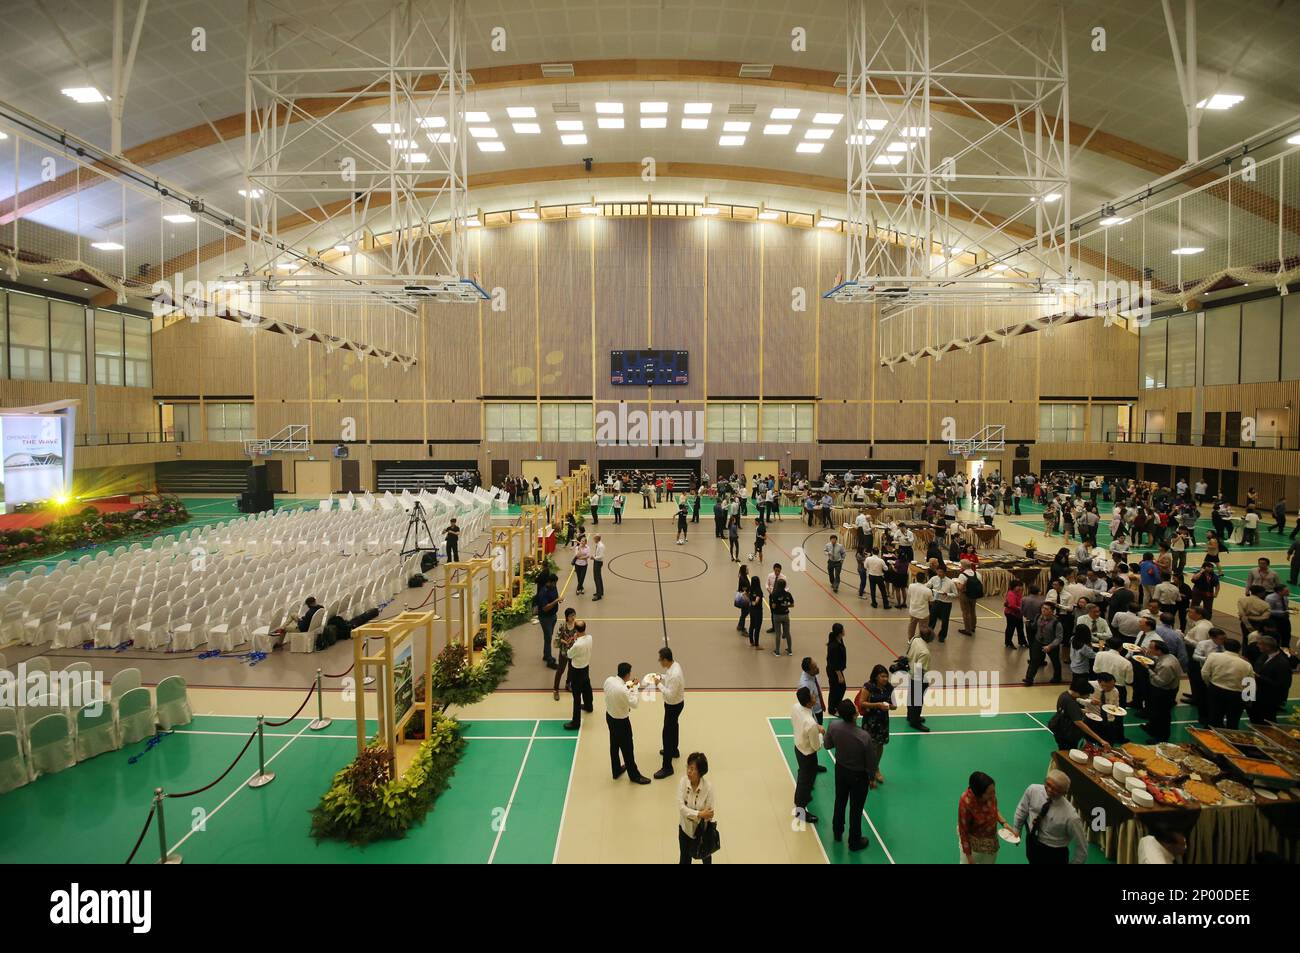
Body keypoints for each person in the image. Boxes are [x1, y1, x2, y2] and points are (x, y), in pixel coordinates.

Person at [825, 699, 878, 851]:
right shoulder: (864, 736)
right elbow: (871, 761)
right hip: (858, 777)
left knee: (840, 801)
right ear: (855, 715)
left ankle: (837, 832)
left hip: (840, 771)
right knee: (856, 809)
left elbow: (828, 745)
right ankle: (854, 841)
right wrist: (872, 778)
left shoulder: (833, 726)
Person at [1013, 770, 1089, 865]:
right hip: (1032, 840)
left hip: (1053, 853)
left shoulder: (1071, 816)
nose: (1049, 789)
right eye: (1048, 784)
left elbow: (1082, 847)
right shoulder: (1033, 790)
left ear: (1064, 792)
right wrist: (1017, 829)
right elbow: (1022, 809)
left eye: (1056, 789)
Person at [604, 662, 651, 784]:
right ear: (627, 674)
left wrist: (630, 685)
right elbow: (634, 703)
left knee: (614, 745)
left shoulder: (609, 680)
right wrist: (635, 688)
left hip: (610, 717)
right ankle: (634, 776)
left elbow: (619, 692)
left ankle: (616, 770)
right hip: (621, 723)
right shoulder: (623, 690)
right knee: (628, 749)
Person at [958, 771, 1016, 864]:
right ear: (979, 795)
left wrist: (1004, 823)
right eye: (989, 793)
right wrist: (969, 858)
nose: (993, 795)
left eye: (994, 791)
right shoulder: (966, 802)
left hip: (991, 845)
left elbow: (994, 810)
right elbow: (963, 831)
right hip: (973, 847)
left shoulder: (990, 795)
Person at [1049, 674, 1112, 751]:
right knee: (1067, 753)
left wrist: (1081, 711)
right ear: (1080, 692)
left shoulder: (1064, 695)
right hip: (1067, 733)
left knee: (1063, 751)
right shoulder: (1071, 703)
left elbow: (1066, 710)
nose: (1088, 696)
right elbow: (1079, 723)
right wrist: (1101, 740)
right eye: (1087, 694)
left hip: (1059, 728)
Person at [1201, 637, 1252, 729]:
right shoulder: (1246, 664)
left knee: (1214, 718)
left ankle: (1212, 740)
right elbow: (1250, 684)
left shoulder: (1213, 656)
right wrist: (1248, 700)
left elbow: (1204, 673)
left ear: (1224, 647)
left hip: (1216, 690)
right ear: (1239, 649)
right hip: (1236, 695)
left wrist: (1209, 684)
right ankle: (1231, 741)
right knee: (1233, 721)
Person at [791, 685, 824, 825]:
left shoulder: (796, 707)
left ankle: (801, 798)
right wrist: (820, 733)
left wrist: (816, 728)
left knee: (803, 776)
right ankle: (800, 810)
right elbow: (816, 746)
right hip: (808, 755)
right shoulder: (810, 723)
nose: (815, 695)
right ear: (809, 702)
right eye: (813, 695)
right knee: (806, 781)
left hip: (798, 747)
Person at [651, 646, 685, 779]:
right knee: (674, 726)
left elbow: (670, 695)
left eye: (660, 660)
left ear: (666, 660)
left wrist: (658, 684)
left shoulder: (675, 675)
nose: (660, 662)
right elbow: (669, 677)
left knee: (667, 733)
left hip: (673, 705)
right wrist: (661, 677)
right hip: (676, 703)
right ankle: (674, 750)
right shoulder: (674, 666)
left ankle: (667, 767)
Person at [677, 752, 716, 864]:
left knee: (706, 858)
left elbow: (709, 814)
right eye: (688, 767)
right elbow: (681, 808)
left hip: (702, 832)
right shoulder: (683, 782)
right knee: (684, 859)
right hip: (685, 830)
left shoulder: (708, 788)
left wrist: (692, 814)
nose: (689, 771)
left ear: (700, 772)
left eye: (692, 769)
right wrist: (699, 814)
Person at [1141, 637, 1180, 742]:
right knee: (1154, 711)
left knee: (1162, 715)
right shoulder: (1167, 656)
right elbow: (1156, 660)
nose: (1148, 649)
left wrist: (1147, 669)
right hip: (1160, 690)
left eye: (1151, 648)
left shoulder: (1166, 665)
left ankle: (1161, 737)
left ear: (1159, 650)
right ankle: (1152, 728)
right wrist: (1148, 655)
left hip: (1164, 692)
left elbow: (1160, 681)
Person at [1250, 635, 1293, 725]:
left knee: (1267, 721)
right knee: (1255, 719)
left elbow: (1283, 684)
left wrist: (1259, 678)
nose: (1257, 646)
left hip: (1270, 698)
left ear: (1267, 647)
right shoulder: (1264, 656)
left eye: (1260, 644)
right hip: (1258, 695)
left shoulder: (1282, 663)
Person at [561, 621, 594, 729]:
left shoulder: (578, 644)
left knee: (576, 696)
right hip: (586, 667)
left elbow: (569, 654)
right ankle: (589, 706)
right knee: (587, 687)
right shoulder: (589, 637)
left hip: (577, 671)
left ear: (575, 630)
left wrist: (571, 642)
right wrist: (576, 638)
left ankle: (576, 722)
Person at [1024, 601, 1063, 686]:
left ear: (1052, 611)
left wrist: (1050, 646)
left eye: (1046, 609)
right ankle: (1029, 679)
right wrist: (1028, 624)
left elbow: (1059, 638)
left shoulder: (1057, 623)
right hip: (1038, 642)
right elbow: (1035, 626)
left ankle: (1057, 678)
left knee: (1055, 662)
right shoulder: (1039, 617)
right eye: (1042, 608)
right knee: (1034, 661)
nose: (1043, 610)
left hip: (1051, 645)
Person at [905, 625, 934, 732]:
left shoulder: (915, 638)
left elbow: (908, 650)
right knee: (917, 701)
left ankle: (910, 716)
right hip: (918, 676)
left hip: (911, 672)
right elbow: (920, 669)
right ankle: (915, 721)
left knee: (911, 697)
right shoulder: (925, 653)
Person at [534, 571, 561, 668]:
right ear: (550, 582)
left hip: (553, 616)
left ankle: (546, 655)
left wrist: (558, 600)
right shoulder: (543, 592)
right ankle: (549, 660)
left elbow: (556, 597)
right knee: (548, 637)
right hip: (545, 618)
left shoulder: (554, 587)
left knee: (548, 636)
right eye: (554, 583)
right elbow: (545, 608)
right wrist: (555, 602)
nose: (555, 585)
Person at [552, 607, 578, 701]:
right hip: (564, 652)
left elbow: (579, 635)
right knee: (560, 671)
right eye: (571, 616)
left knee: (571, 669)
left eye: (574, 615)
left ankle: (568, 684)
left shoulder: (576, 625)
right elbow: (557, 638)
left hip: (573, 652)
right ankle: (555, 690)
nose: (573, 617)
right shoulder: (563, 625)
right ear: (567, 617)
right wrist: (564, 641)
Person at [927, 566, 958, 642]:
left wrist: (947, 594)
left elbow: (956, 594)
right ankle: (929, 634)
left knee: (945, 621)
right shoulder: (934, 579)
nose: (939, 573)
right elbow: (927, 585)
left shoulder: (950, 582)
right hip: (936, 601)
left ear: (945, 572)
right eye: (938, 572)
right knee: (932, 619)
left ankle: (942, 636)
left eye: (941, 572)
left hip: (946, 603)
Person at [825, 623, 848, 716]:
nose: (844, 631)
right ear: (839, 632)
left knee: (840, 688)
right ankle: (832, 709)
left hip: (838, 670)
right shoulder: (834, 646)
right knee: (836, 689)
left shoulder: (839, 639)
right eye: (843, 629)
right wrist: (839, 675)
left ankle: (837, 705)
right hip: (834, 671)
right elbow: (834, 662)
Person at [770, 578, 795, 656]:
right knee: (787, 633)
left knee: (778, 633)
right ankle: (790, 650)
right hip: (785, 615)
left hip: (777, 615)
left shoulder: (774, 594)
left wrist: (777, 605)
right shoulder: (788, 594)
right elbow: (792, 604)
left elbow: (773, 606)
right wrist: (785, 605)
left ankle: (777, 651)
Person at [798, 656, 826, 725]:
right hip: (814, 713)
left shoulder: (813, 673)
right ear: (808, 671)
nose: (817, 668)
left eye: (816, 665)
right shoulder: (805, 685)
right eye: (814, 668)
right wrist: (815, 723)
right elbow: (807, 705)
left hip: (819, 708)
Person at [955, 560, 980, 636]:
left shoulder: (962, 575)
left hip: (965, 595)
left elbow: (960, 587)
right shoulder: (977, 574)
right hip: (974, 595)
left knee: (966, 612)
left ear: (963, 566)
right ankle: (973, 626)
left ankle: (967, 629)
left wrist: (956, 583)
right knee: (973, 611)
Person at [1003, 579, 1027, 648]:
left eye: (1021, 586)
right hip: (1011, 614)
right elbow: (1012, 605)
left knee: (1020, 628)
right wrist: (1020, 608)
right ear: (1014, 586)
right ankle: (1008, 642)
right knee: (1011, 628)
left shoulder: (1019, 593)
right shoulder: (1011, 593)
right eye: (1018, 586)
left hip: (1018, 614)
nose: (1020, 588)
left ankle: (1022, 641)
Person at [745, 575, 765, 649]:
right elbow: (757, 599)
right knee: (757, 627)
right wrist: (754, 602)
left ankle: (751, 641)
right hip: (758, 611)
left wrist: (749, 601)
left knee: (752, 625)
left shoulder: (750, 588)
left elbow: (744, 594)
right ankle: (757, 644)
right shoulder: (758, 590)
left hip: (751, 610)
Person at [590, 535, 606, 601]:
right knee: (598, 577)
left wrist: (594, 558)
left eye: (594, 539)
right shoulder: (598, 544)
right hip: (597, 561)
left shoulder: (601, 546)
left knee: (596, 578)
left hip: (598, 562)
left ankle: (598, 595)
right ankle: (600, 591)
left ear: (597, 539)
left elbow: (601, 556)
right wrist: (594, 556)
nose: (593, 540)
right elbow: (597, 554)